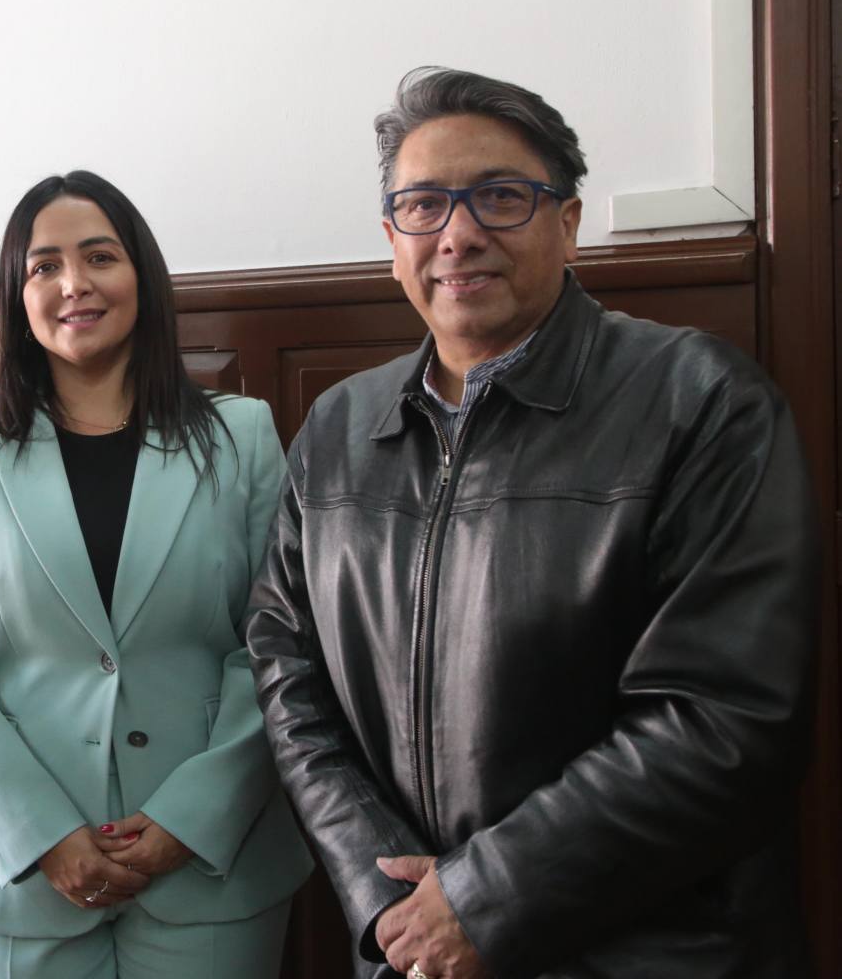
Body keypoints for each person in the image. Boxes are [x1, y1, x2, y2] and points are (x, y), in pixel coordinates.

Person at [244, 66, 817, 979]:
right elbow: (287, 667)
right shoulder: (338, 428)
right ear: (392, 239)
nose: (459, 234)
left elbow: (723, 719)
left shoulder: (701, 400)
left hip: (651, 952)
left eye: (501, 196)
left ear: (568, 221)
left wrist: (480, 902)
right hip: (410, 950)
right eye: (423, 206)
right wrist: (386, 896)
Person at [0, 170, 312, 978]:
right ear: (17, 295)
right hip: (17, 873)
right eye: (44, 266)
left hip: (212, 865)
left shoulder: (242, 436)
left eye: (99, 257)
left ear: (142, 278)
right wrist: (39, 833)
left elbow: (277, 644)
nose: (73, 284)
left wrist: (193, 817)